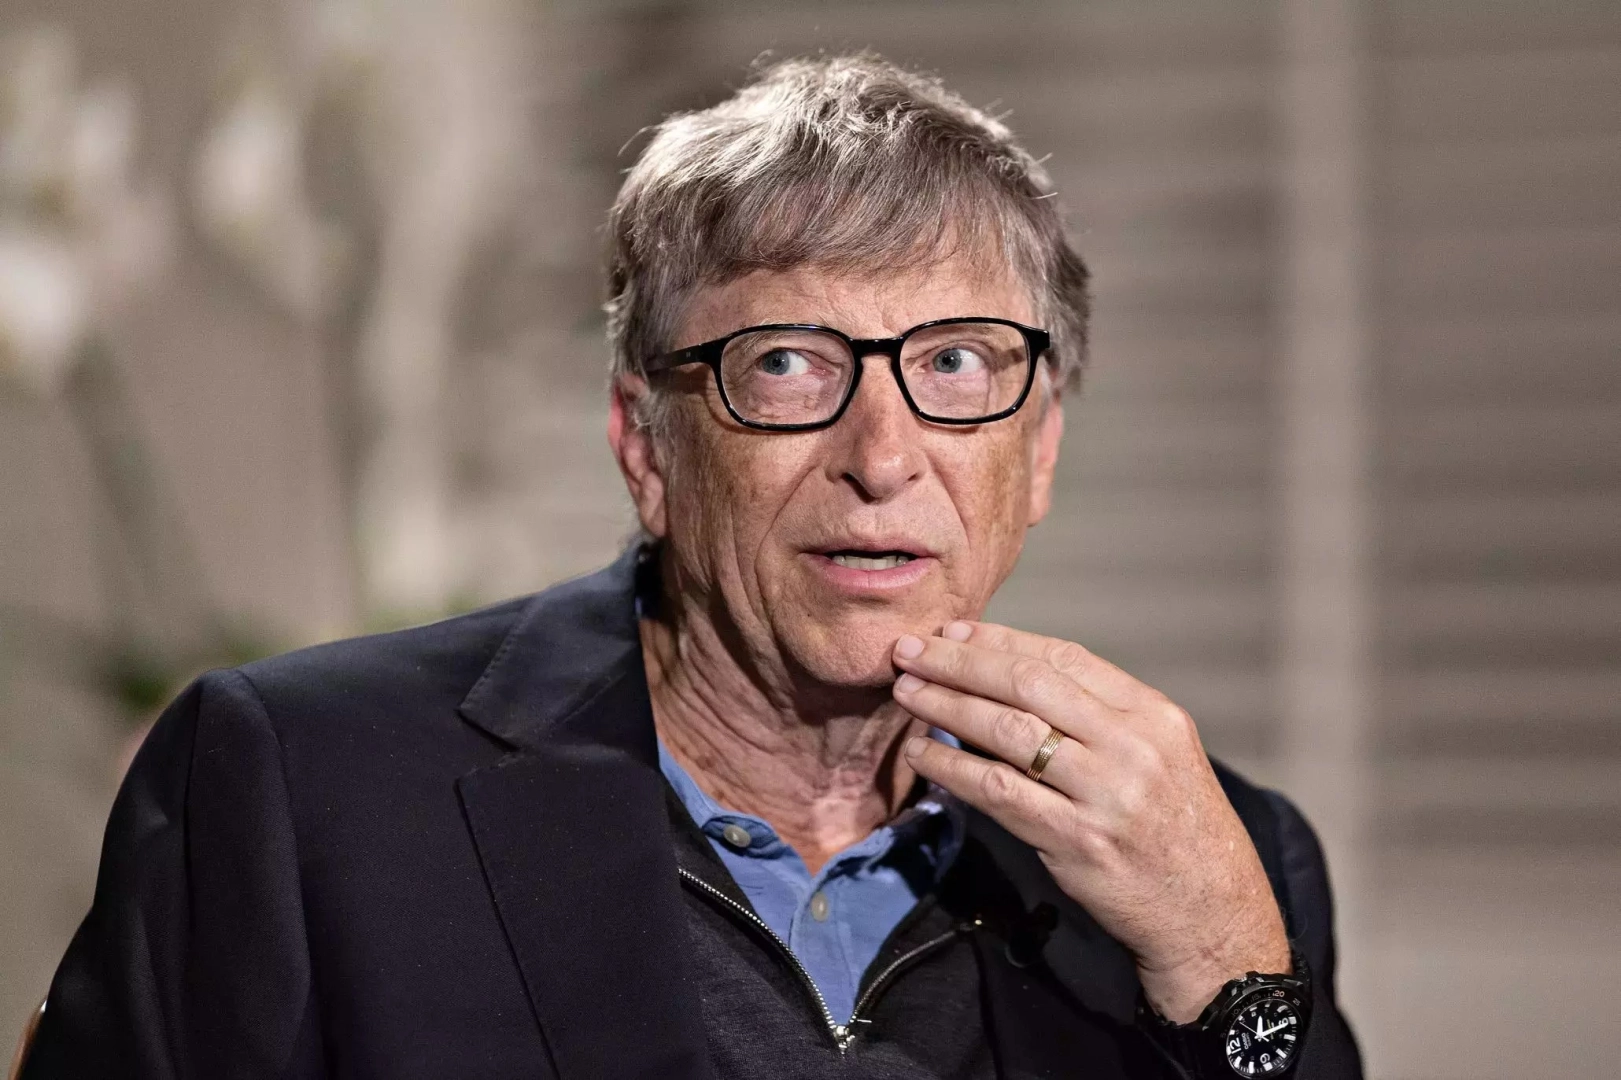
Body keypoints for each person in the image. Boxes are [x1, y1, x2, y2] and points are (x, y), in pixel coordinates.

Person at [21, 54, 1362, 1079]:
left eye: (956, 362)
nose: (882, 456)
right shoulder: (304, 792)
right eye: (787, 365)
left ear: (1041, 452)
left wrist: (1231, 971)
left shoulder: (1224, 865)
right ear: (644, 444)